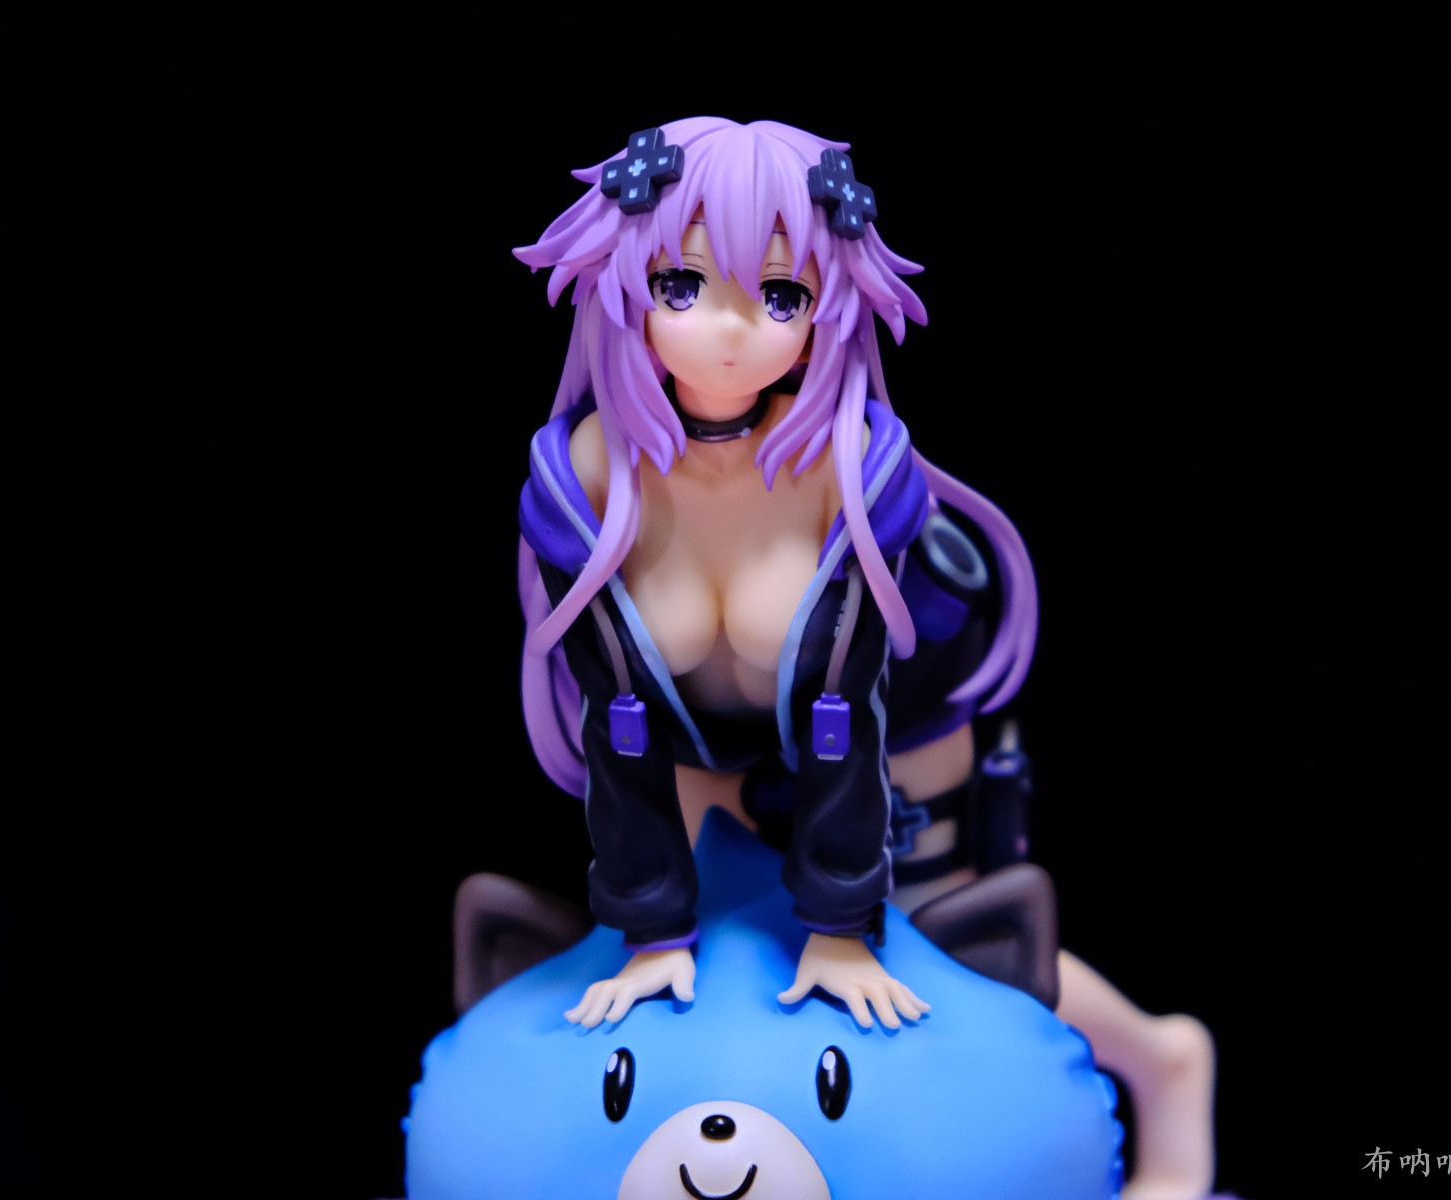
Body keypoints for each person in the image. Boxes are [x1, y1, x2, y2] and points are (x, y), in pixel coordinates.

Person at [513, 115, 1214, 1200]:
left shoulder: (843, 469)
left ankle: (1164, 1062)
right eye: (681, 285)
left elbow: (854, 701)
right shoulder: (586, 480)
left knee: (933, 944)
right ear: (621, 283)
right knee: (702, 954)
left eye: (781, 295)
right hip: (698, 737)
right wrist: (649, 926)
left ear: (826, 309)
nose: (730, 332)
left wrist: (845, 924)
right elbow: (620, 716)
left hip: (891, 728)